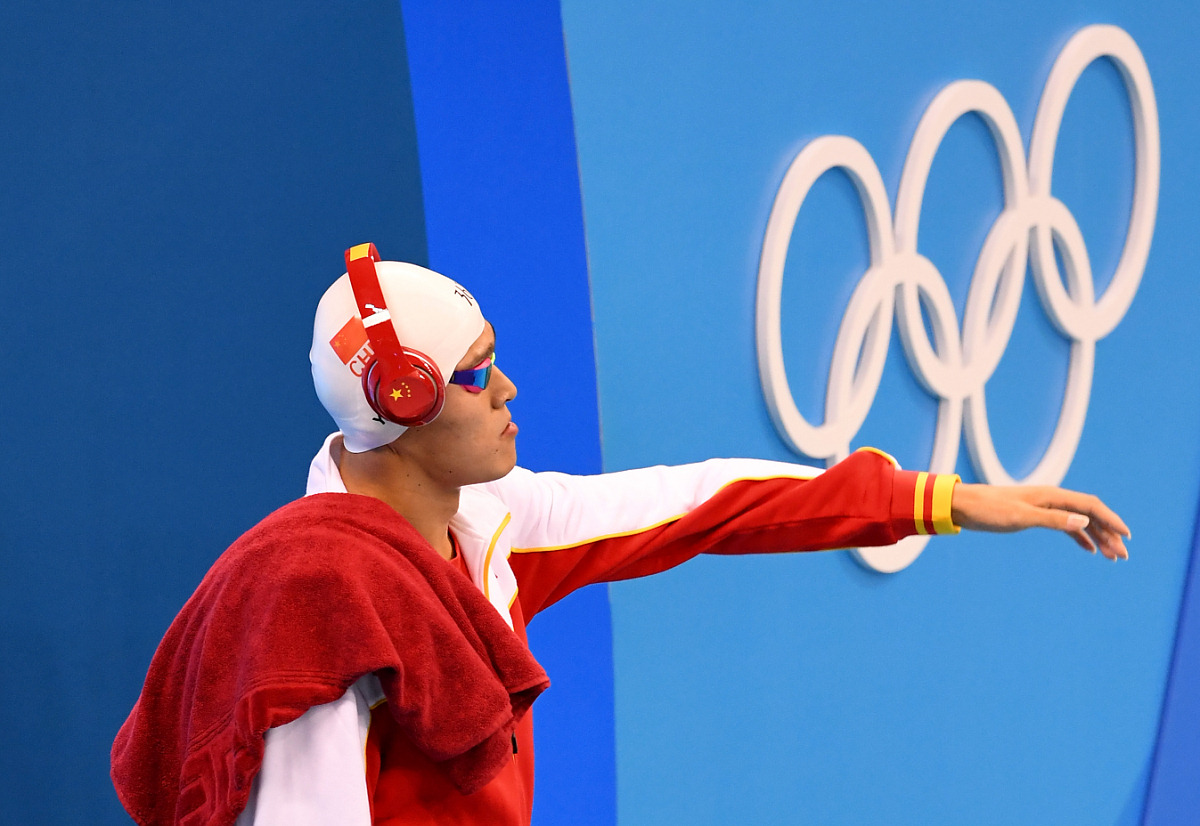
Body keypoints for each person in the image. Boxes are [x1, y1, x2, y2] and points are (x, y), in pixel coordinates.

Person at [111, 245, 1130, 826]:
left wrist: (939, 500)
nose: (508, 389)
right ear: (404, 400)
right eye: (476, 373)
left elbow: (703, 503)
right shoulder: (318, 605)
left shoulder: (493, 524)